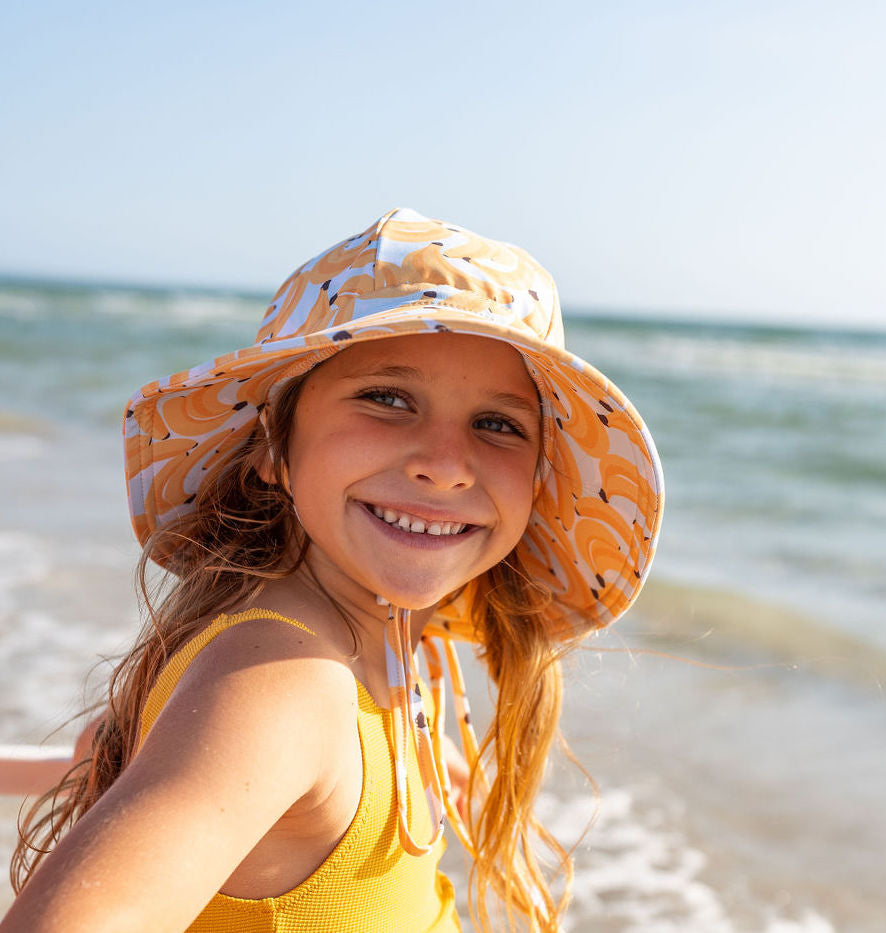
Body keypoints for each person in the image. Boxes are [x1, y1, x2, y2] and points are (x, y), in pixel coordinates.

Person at [2, 208, 664, 932]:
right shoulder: (287, 685)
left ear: (536, 479)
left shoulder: (387, 643)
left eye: (497, 424)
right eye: (386, 399)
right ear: (273, 448)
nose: (444, 466)